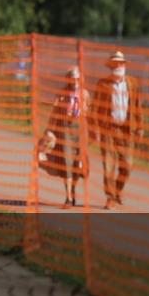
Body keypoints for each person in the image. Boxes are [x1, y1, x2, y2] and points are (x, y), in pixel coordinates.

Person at [93, 51, 144, 209]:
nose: (118, 66)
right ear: (111, 67)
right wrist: (95, 128)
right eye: (114, 64)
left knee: (127, 166)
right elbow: (95, 107)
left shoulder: (132, 83)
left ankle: (118, 191)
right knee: (109, 167)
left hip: (126, 131)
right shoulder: (103, 84)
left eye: (120, 63)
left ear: (124, 65)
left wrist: (140, 126)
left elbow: (137, 106)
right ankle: (110, 197)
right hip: (108, 130)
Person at [40, 66, 91, 208]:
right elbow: (55, 113)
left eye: (77, 78)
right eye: (72, 78)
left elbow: (89, 113)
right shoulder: (62, 94)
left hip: (81, 129)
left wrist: (93, 133)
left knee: (78, 164)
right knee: (67, 163)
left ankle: (73, 191)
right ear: (68, 79)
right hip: (66, 129)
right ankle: (68, 197)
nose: (74, 81)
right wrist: (49, 130)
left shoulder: (85, 94)